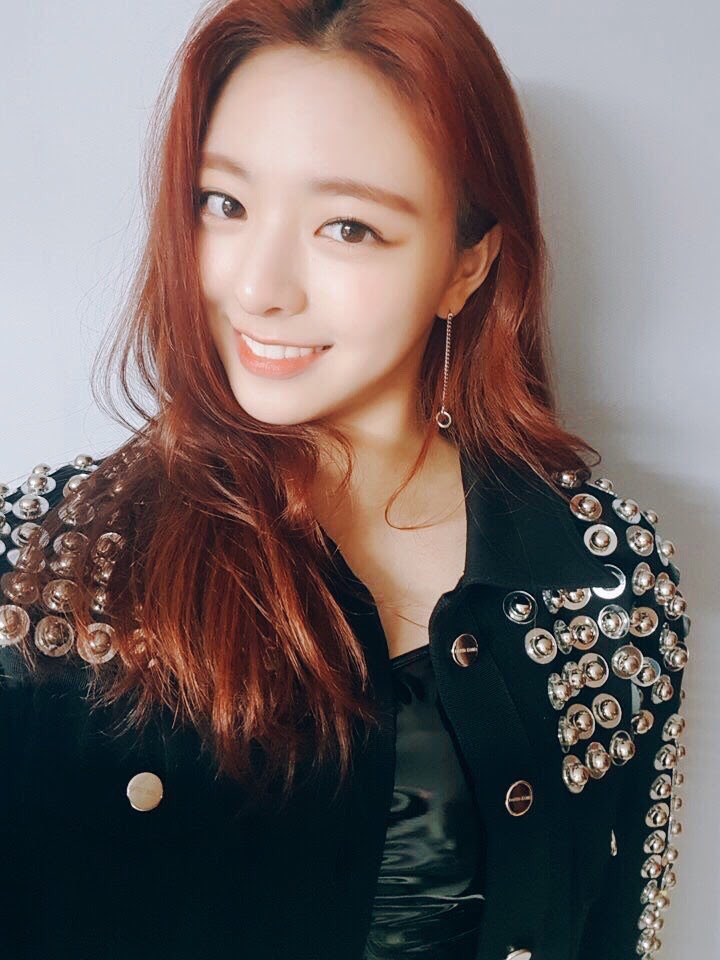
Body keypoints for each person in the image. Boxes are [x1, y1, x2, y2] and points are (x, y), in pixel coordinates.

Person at [0, 1, 690, 958]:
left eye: (348, 227)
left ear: (467, 266)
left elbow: (618, 928)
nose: (259, 286)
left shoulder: (606, 576)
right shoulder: (53, 565)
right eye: (224, 203)